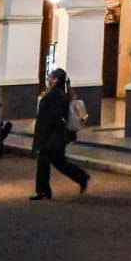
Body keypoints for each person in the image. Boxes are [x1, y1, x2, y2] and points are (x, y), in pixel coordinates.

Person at [30, 67, 90, 200]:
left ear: (56, 79)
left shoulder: (56, 95)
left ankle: (43, 190)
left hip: (52, 135)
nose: (48, 80)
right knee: (57, 161)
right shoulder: (59, 93)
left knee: (46, 161)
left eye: (50, 77)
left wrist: (44, 134)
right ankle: (80, 177)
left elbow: (53, 117)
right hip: (55, 135)